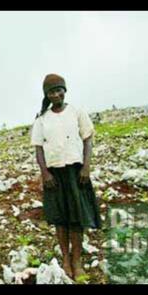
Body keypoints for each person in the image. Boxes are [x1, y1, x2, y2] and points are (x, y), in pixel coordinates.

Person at [30, 74, 102, 279]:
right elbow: (39, 149)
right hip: (54, 174)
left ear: (65, 90)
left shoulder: (77, 112)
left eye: (58, 90)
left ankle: (77, 261)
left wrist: (86, 168)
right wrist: (45, 173)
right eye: (51, 92)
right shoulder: (42, 119)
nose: (55, 94)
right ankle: (65, 260)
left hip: (75, 172)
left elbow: (88, 140)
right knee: (60, 218)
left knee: (77, 217)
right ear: (47, 95)